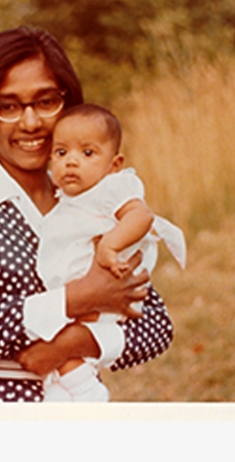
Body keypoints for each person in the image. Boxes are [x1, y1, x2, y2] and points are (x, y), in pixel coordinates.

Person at [0, 26, 174, 402]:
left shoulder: (87, 194)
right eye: (8, 106)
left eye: (46, 101)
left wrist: (68, 345)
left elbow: (155, 325)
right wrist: (75, 298)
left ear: (67, 104)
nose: (31, 123)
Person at [37, 104, 187, 402]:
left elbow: (141, 216)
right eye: (61, 153)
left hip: (107, 285)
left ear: (114, 164)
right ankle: (67, 389)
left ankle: (86, 392)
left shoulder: (112, 187)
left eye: (87, 153)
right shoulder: (67, 199)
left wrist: (109, 245)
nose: (71, 162)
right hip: (79, 293)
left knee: (62, 339)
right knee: (56, 346)